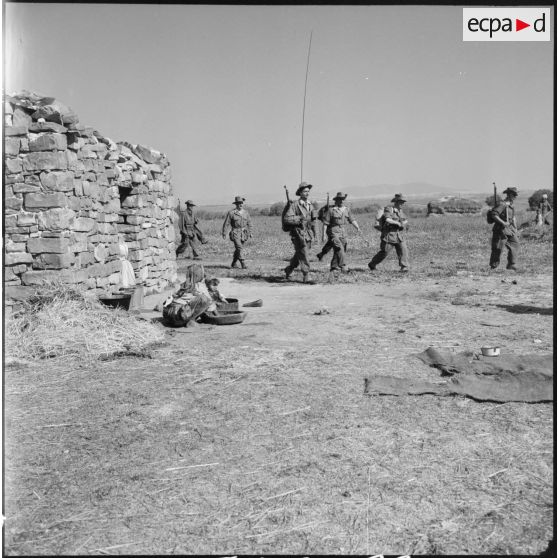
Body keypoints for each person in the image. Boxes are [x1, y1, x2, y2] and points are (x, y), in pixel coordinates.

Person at [162, 263, 216, 327]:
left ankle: (186, 319)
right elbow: (210, 306)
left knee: (193, 303)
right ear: (197, 276)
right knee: (205, 299)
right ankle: (190, 321)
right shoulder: (198, 286)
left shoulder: (183, 285)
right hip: (179, 317)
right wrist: (216, 315)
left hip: (168, 315)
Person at [284, 182, 318, 282]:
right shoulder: (295, 205)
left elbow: (314, 221)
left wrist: (316, 234)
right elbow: (287, 219)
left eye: (308, 191)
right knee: (304, 253)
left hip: (308, 234)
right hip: (298, 234)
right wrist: (299, 218)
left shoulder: (310, 205)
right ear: (300, 192)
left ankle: (289, 269)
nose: (307, 193)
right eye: (305, 191)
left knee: (301, 253)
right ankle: (306, 274)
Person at [368, 193, 410, 272]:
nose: (403, 204)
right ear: (396, 202)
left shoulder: (401, 212)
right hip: (388, 235)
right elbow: (387, 219)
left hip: (398, 235)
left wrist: (404, 224)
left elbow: (405, 220)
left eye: (403, 202)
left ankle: (404, 267)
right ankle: (372, 264)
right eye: (401, 202)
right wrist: (397, 223)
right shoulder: (389, 209)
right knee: (385, 252)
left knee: (403, 249)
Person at [320, 192, 360, 273]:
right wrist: (323, 235)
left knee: (341, 250)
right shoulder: (331, 210)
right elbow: (325, 224)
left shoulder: (346, 209)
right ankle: (344, 267)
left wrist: (358, 228)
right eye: (339, 200)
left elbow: (352, 220)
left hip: (343, 232)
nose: (341, 201)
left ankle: (333, 267)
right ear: (336, 201)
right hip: (333, 232)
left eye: (342, 200)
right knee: (340, 248)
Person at [489, 186, 519, 271]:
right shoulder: (502, 204)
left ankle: (511, 264)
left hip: (509, 230)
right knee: (498, 248)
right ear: (509, 195)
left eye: (515, 195)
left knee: (515, 244)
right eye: (514, 195)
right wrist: (503, 223)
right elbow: (494, 215)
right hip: (500, 230)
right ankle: (493, 267)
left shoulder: (511, 206)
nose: (515, 197)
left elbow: (513, 218)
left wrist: (515, 229)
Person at [222, 196, 252, 269]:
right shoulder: (231, 213)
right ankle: (243, 263)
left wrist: (250, 232)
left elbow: (249, 223)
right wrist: (224, 232)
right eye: (239, 203)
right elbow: (226, 223)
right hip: (235, 232)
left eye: (241, 203)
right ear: (236, 204)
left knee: (238, 249)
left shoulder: (246, 213)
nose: (241, 204)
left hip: (244, 233)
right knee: (239, 247)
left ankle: (234, 263)